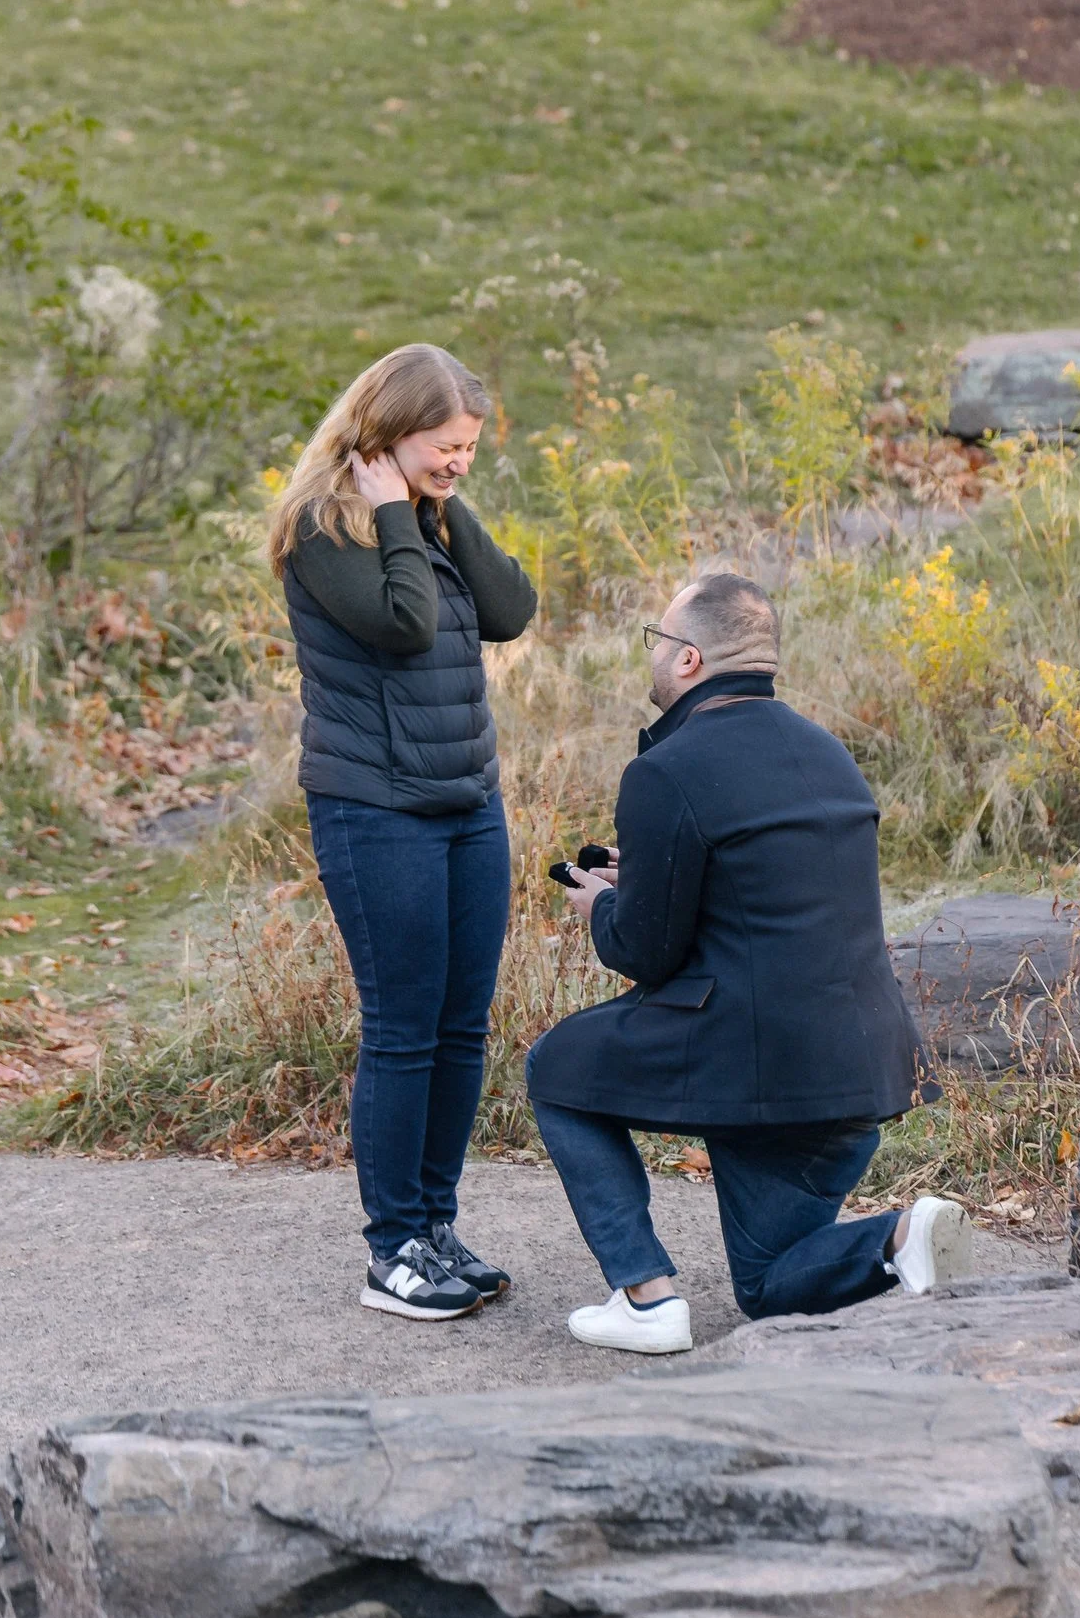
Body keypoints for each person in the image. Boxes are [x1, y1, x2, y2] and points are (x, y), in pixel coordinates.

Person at [524, 572, 968, 1355]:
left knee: (558, 1067)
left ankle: (646, 1296)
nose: (654, 659)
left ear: (690, 659)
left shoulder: (667, 768)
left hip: (759, 1068)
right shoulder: (828, 753)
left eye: (658, 644)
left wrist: (602, 908)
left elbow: (647, 953)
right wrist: (660, 872)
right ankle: (901, 1238)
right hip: (862, 1069)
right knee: (768, 1287)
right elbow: (771, 905)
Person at [264, 343, 538, 1322]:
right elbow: (406, 625)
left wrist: (436, 501)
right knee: (404, 1028)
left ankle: (435, 1227)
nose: (459, 460)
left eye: (469, 447)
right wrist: (390, 507)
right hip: (375, 809)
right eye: (443, 445)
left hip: (467, 802)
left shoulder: (426, 513)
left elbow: (510, 609)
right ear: (382, 433)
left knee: (461, 1028)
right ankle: (393, 1251)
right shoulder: (324, 524)